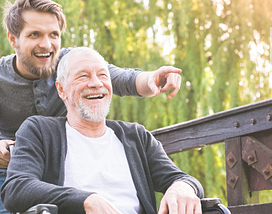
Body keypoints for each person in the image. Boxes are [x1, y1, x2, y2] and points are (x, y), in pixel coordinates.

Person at [0, 0, 181, 211]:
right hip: (10, 172)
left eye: (53, 34)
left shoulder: (70, 64)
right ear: (13, 39)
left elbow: (119, 78)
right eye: (34, 34)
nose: (46, 44)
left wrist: (152, 79)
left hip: (59, 169)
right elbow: (18, 189)